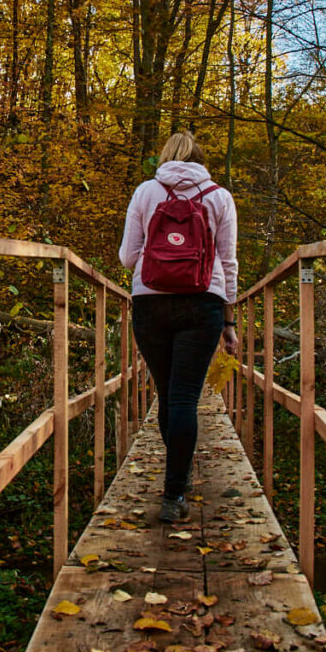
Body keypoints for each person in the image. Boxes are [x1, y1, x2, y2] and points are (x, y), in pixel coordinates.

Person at [119, 130, 239, 522]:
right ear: (201, 161)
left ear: (165, 158)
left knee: (167, 393)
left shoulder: (145, 191)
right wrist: (229, 319)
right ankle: (174, 495)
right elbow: (228, 260)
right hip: (203, 301)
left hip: (150, 301)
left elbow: (126, 257)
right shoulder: (219, 196)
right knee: (186, 396)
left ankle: (178, 475)